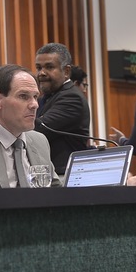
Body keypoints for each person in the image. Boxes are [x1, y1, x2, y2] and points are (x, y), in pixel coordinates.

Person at [0, 64, 136, 189]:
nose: (34, 104)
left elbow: (58, 192)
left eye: (35, 97)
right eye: (23, 96)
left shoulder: (38, 141)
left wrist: (124, 183)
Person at [34, 43, 91, 175]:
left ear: (66, 71)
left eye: (49, 67)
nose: (41, 73)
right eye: (38, 68)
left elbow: (37, 130)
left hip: (66, 176)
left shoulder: (72, 98)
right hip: (48, 175)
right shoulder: (45, 97)